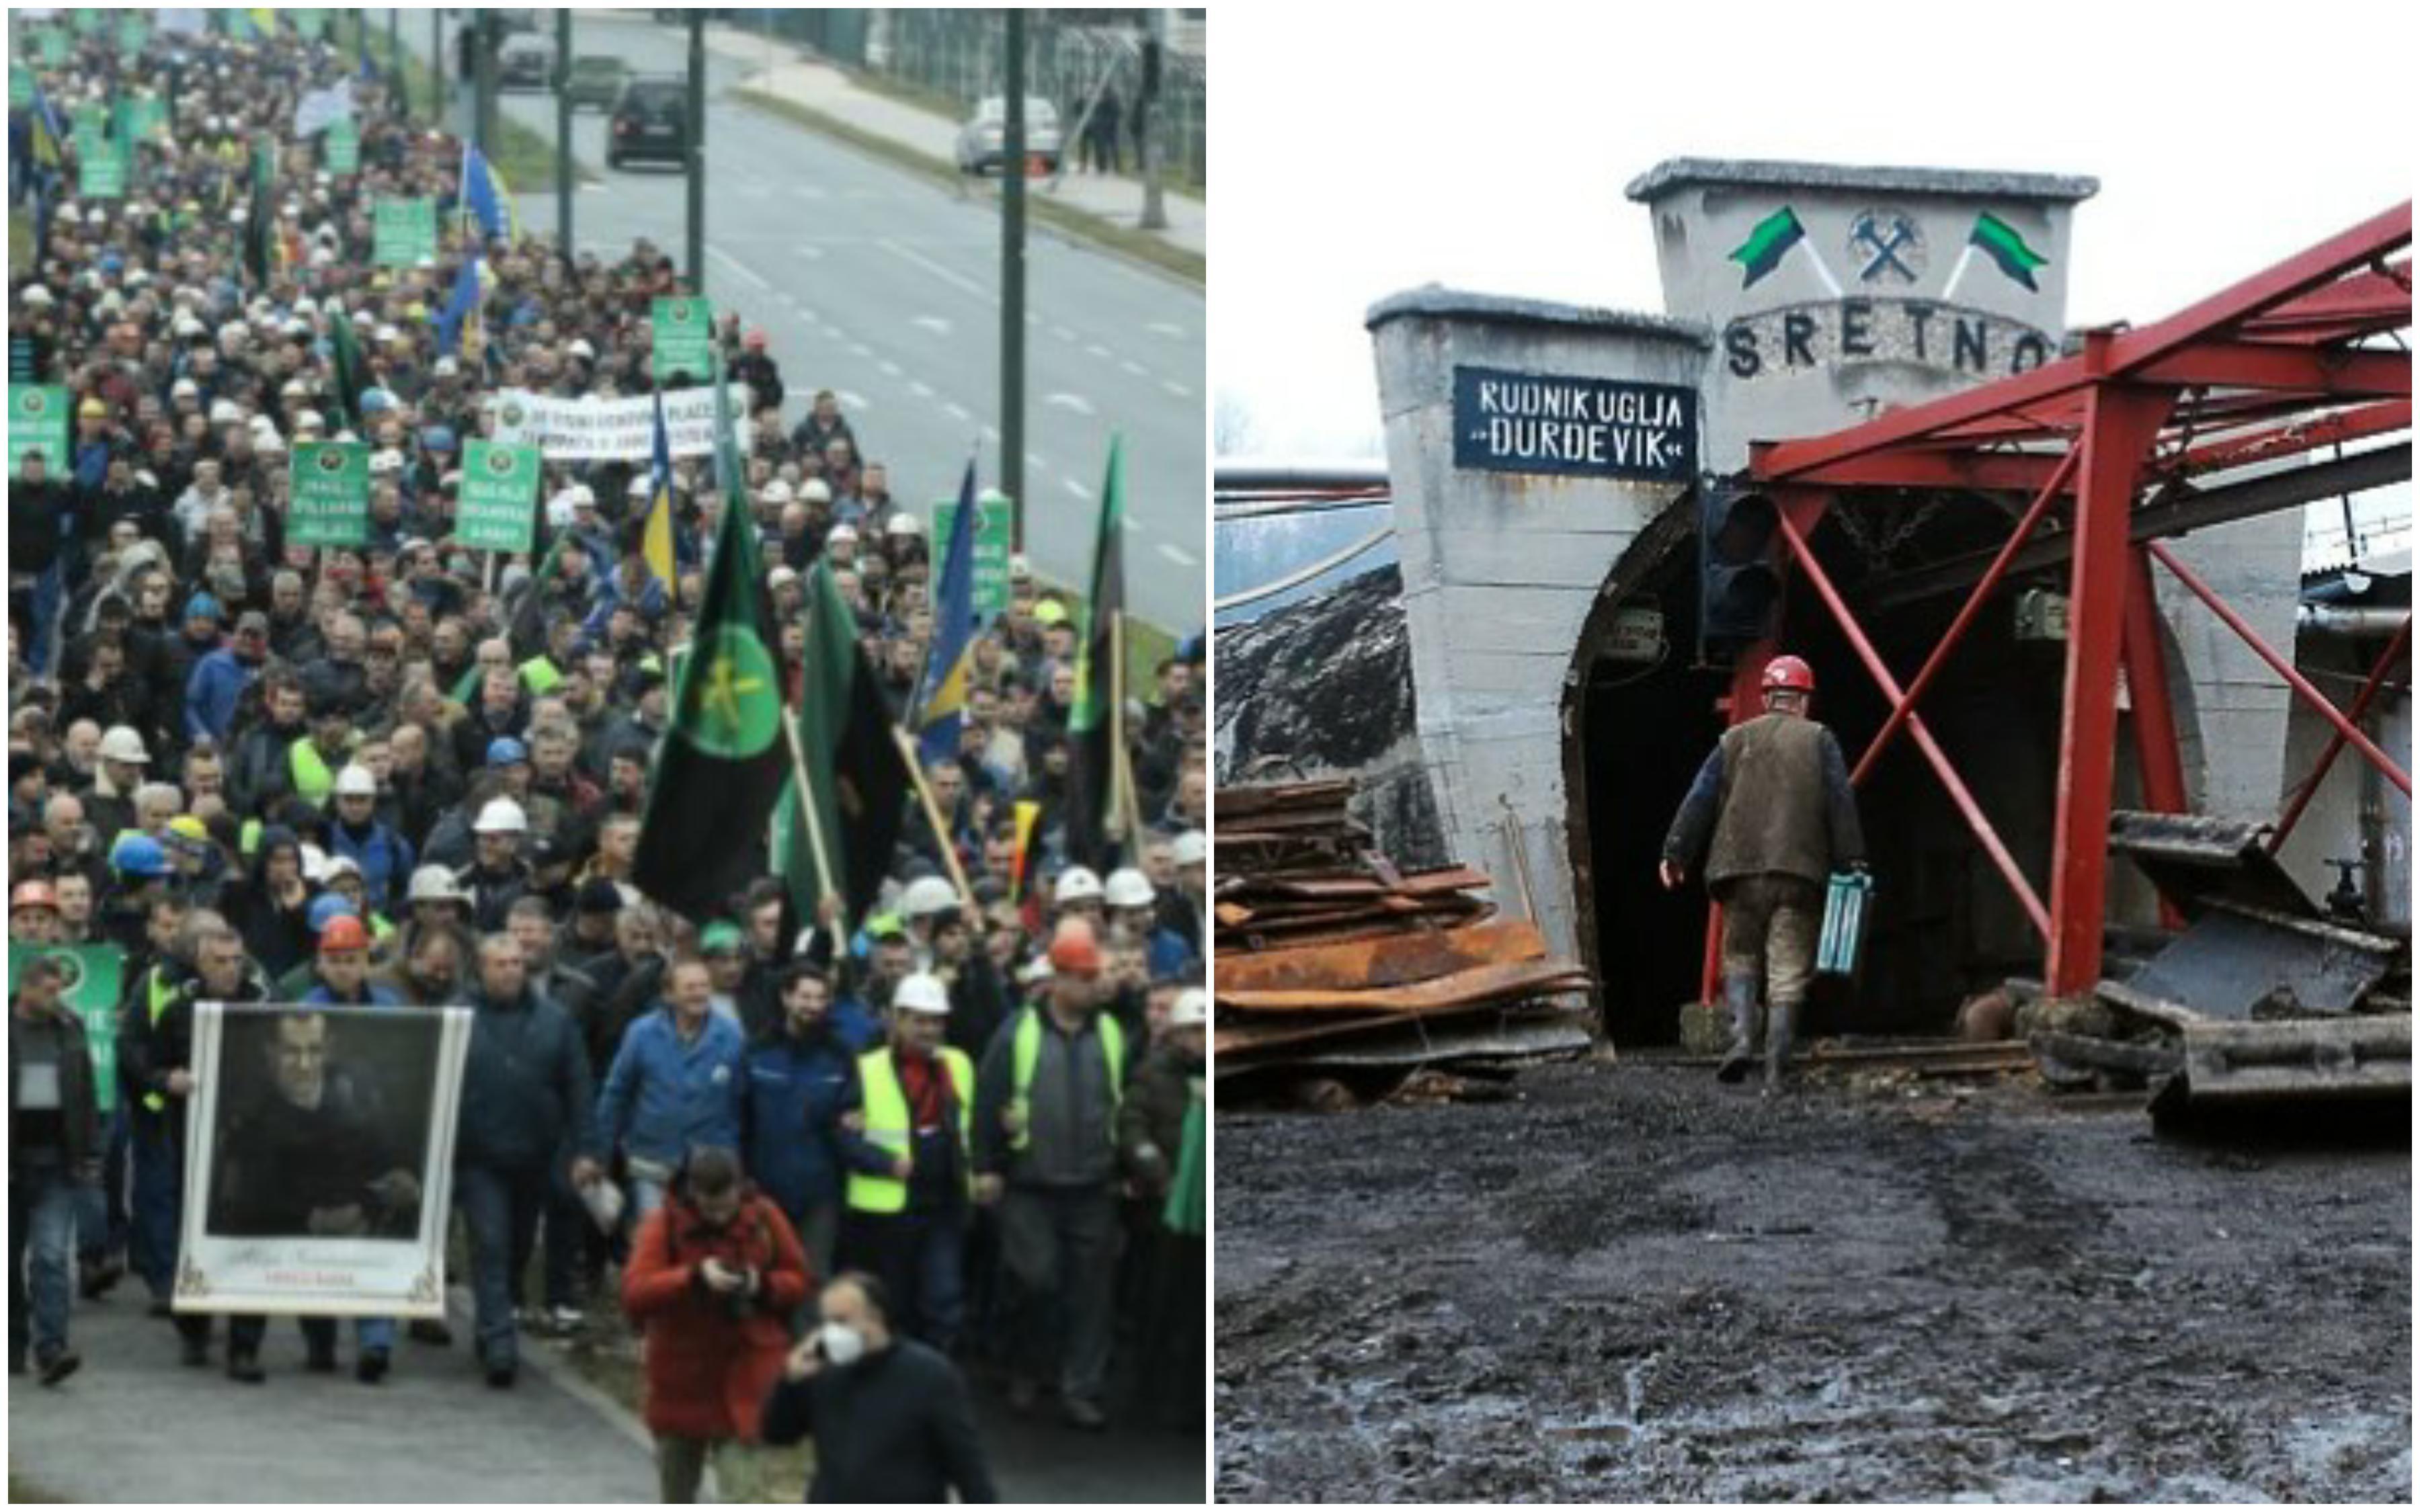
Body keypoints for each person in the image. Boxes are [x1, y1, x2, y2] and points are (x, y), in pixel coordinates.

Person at [1659, 655, 1867, 1089]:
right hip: (1797, 873)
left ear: (1766, 696)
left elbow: (1700, 796)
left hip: (1738, 872)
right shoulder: (1819, 740)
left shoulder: (1733, 740)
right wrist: (1852, 861)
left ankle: (1740, 1043)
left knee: (1740, 957)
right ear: (1804, 700)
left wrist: (1676, 853)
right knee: (1787, 967)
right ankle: (1775, 1070)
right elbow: (1839, 803)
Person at [204, 1003, 422, 1382]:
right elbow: (247, 1194)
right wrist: (312, 1217)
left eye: (314, 1051)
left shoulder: (353, 1098)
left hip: (341, 1218)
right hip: (271, 1222)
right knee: (255, 1249)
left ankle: (325, 1343)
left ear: (329, 1049)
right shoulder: (252, 1111)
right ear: (271, 1054)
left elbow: (381, 1159)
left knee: (345, 1249)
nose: (304, 1065)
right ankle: (244, 1348)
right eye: (291, 1052)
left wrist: (395, 1183)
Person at [973, 918, 1127, 1429]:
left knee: (1092, 1292)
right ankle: (1027, 1368)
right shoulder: (1017, 1034)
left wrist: (1126, 1167)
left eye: (1093, 977)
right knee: (1035, 1281)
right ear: (1058, 978)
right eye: (1083, 978)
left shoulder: (1109, 1033)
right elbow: (988, 1101)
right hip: (1029, 1185)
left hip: (1093, 1186)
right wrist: (987, 1166)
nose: (1092, 986)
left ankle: (1081, 1387)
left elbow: (1124, 1105)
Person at [621, 1146, 810, 1505]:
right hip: (681, 1381)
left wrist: (761, 1285)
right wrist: (692, 1277)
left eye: (727, 1206)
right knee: (676, 1493)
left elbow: (799, 1279)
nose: (721, 1217)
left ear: (740, 1188)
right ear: (693, 1193)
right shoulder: (663, 1224)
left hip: (746, 1377)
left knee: (743, 1495)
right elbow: (635, 1292)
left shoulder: (766, 1218)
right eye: (711, 1210)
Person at [455, 933, 602, 1387]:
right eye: (500, 964)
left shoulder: (555, 1021)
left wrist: (587, 1150)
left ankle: (491, 1317)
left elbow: (579, 1089)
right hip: (478, 1157)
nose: (510, 971)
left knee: (517, 1246)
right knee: (492, 1242)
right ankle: (502, 1345)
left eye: (517, 963)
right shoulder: (458, 1017)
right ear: (481, 969)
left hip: (537, 1155)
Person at [759, 1271, 999, 1504]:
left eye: (841, 1321)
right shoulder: (823, 1372)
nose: (831, 1332)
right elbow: (778, 1434)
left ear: (875, 1318)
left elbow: (967, 1465)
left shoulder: (929, 1375)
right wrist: (790, 1382)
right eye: (826, 1322)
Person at [837, 972, 979, 1354]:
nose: (929, 1030)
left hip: (943, 1201)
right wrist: (885, 1162)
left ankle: (934, 1376)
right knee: (892, 1301)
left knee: (943, 1296)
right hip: (888, 1210)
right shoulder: (868, 1068)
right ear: (897, 1020)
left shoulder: (959, 1064)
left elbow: (969, 1126)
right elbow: (843, 1136)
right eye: (920, 1020)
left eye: (936, 1021)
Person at [742, 962, 877, 1284]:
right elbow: (738, 1117)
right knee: (764, 1275)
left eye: (821, 999)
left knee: (813, 1277)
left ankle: (810, 1336)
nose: (813, 1006)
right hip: (764, 1188)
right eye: (805, 997)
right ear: (786, 998)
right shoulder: (757, 1051)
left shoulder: (841, 1056)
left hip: (821, 1193)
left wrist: (852, 1121)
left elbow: (851, 1115)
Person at [598, 956, 748, 1223]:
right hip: (652, 1159)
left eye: (704, 986)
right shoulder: (641, 1033)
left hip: (712, 1167)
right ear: (669, 994)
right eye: (690, 988)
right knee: (654, 1238)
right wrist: (600, 1149)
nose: (699, 994)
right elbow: (617, 1092)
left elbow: (741, 1099)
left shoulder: (732, 1036)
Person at [11, 954, 102, 1386]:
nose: (57, 999)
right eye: (49, 991)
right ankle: (12, 1344)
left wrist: (89, 1151)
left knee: (49, 1257)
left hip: (55, 1162)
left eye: (60, 991)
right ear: (25, 988)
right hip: (11, 1163)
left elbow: (85, 1091)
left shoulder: (70, 1029)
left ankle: (51, 1348)